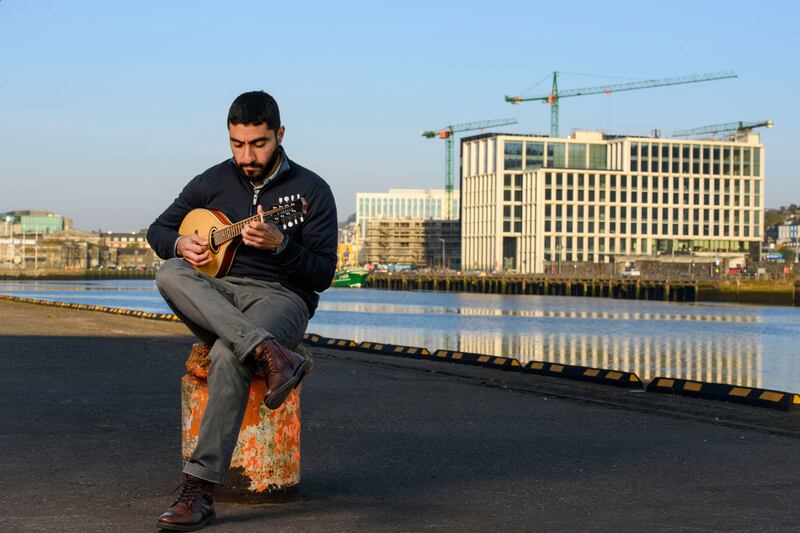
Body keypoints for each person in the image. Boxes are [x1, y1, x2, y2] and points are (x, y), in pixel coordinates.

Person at [147, 90, 338, 531]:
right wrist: (179, 243)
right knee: (171, 272)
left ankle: (199, 490)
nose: (247, 155)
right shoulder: (212, 180)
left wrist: (283, 246)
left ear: (280, 135)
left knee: (227, 356)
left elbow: (323, 274)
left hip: (282, 298)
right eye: (237, 144)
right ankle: (274, 356)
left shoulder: (311, 191)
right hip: (220, 295)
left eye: (259, 144)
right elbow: (158, 229)